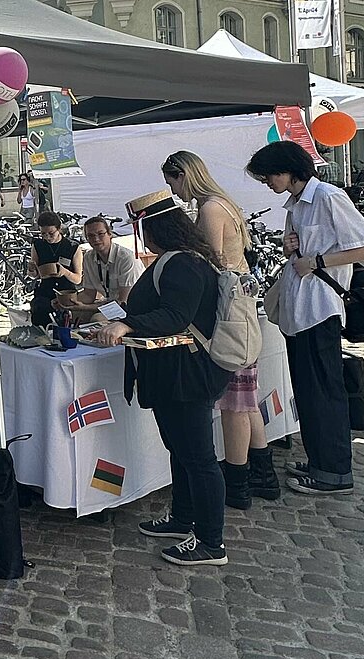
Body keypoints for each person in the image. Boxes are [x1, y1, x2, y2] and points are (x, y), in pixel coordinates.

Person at [96, 191, 232, 567]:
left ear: (158, 229)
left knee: (199, 458)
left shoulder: (183, 264)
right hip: (173, 372)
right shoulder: (178, 260)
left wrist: (127, 323)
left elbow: (175, 314)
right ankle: (182, 518)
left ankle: (210, 541)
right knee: (181, 450)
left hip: (187, 373)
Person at [247, 141, 364, 495]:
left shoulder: (328, 197)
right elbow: (299, 253)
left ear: (288, 169)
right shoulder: (295, 205)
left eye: (269, 176)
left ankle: (335, 471)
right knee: (307, 392)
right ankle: (320, 460)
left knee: (325, 392)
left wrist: (318, 262)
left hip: (320, 310)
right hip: (298, 311)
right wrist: (289, 248)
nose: (268, 183)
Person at [162, 151, 279, 507]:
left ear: (184, 175)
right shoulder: (223, 202)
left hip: (230, 313)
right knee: (246, 401)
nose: (174, 192)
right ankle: (264, 476)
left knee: (233, 404)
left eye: (173, 183)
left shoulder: (210, 208)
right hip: (240, 307)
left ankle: (238, 483)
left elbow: (208, 261)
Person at [54, 215, 142, 318]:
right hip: (109, 304)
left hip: (132, 309)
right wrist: (66, 301)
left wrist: (85, 307)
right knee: (69, 315)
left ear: (110, 234)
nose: (96, 239)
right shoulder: (88, 257)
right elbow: (88, 295)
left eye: (100, 234)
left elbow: (123, 303)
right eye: (90, 236)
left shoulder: (126, 258)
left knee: (97, 318)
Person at [27, 211, 82, 327]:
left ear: (59, 228)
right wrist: (32, 271)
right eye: (43, 234)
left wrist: (65, 272)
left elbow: (78, 279)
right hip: (44, 294)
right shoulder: (38, 245)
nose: (47, 237)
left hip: (66, 294)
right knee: (40, 326)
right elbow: (35, 274)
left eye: (51, 233)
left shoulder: (72, 247)